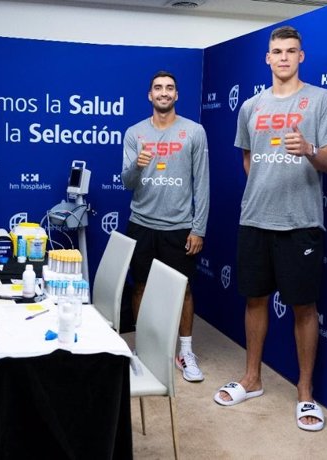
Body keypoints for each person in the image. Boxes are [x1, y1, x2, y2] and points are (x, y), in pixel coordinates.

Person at [214, 26, 327, 432]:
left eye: (292, 51)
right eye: (277, 51)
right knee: (254, 300)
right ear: (267, 59)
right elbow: (247, 160)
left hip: (301, 222)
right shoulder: (251, 107)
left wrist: (308, 149)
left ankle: (304, 393)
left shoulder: (322, 100)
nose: (284, 57)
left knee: (304, 308)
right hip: (255, 219)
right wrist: (265, 185)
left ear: (301, 57)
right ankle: (252, 379)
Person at [121, 70, 210, 382]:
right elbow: (127, 182)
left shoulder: (194, 131)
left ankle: (185, 352)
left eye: (169, 88)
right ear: (149, 95)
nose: (163, 93)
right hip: (142, 223)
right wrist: (137, 164)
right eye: (158, 88)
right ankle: (144, 348)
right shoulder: (134, 133)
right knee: (141, 286)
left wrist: (198, 228)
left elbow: (203, 183)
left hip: (179, 226)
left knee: (183, 290)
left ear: (176, 95)